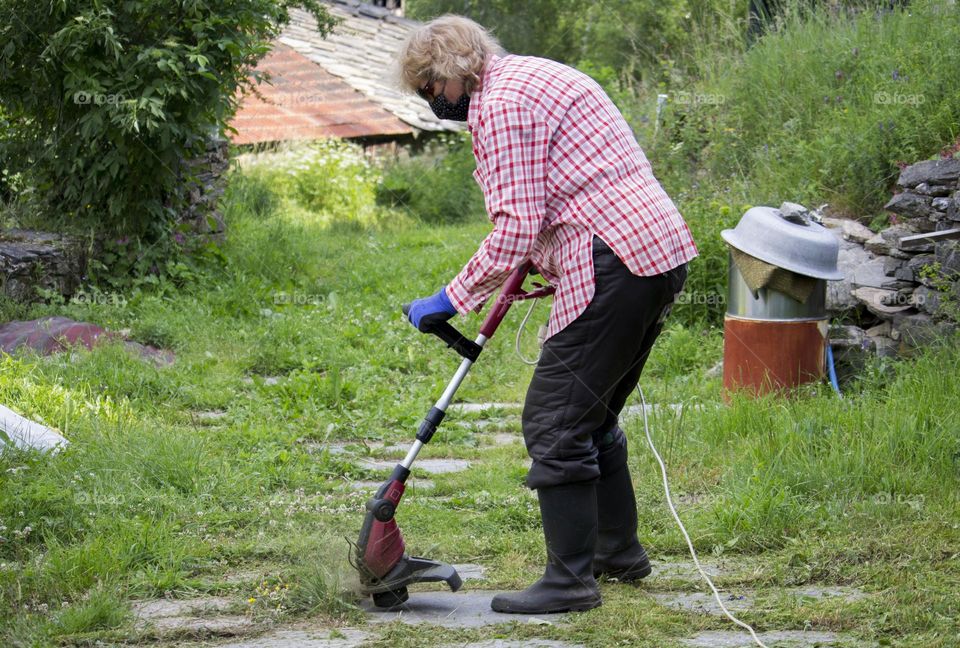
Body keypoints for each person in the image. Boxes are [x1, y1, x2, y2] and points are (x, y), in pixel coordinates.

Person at [397, 15, 698, 614]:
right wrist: (539, 251)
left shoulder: (500, 106)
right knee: (590, 414)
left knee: (556, 422)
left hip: (613, 257)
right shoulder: (539, 75)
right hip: (656, 251)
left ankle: (569, 582)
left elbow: (515, 226)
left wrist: (450, 299)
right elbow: (567, 185)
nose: (433, 103)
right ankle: (618, 554)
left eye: (432, 89)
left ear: (453, 72)